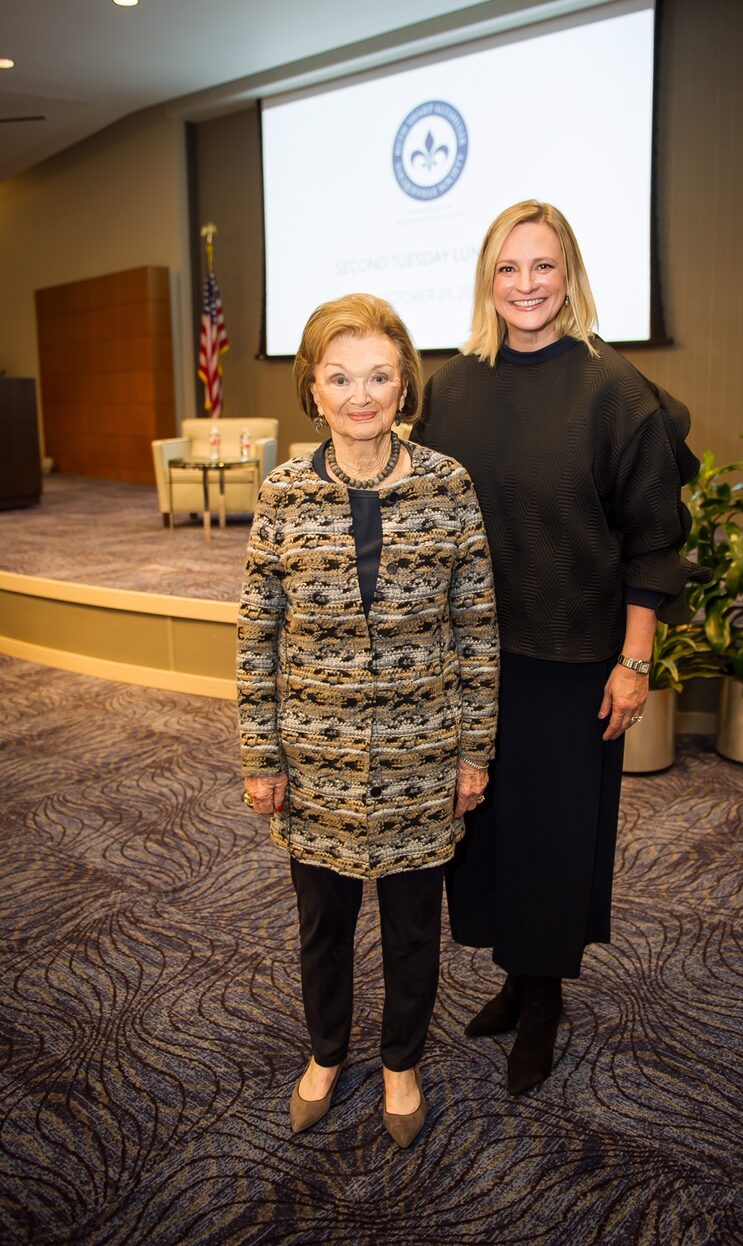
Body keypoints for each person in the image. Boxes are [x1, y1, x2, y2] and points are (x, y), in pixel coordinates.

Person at [411, 200, 706, 1096]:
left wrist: (636, 658)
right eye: (508, 268)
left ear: (570, 275)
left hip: (575, 657)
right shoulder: (451, 387)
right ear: (486, 280)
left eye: (543, 267)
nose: (526, 285)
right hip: (475, 661)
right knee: (490, 833)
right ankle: (514, 975)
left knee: (555, 835)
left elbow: (654, 534)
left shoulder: (613, 389)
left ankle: (544, 1001)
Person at [237, 293, 499, 1146]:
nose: (361, 394)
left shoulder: (448, 484)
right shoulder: (281, 494)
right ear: (312, 389)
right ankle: (324, 1054)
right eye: (341, 376)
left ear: (404, 385)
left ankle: (400, 1064)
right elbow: (257, 635)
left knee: (413, 927)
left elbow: (475, 628)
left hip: (425, 759)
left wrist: (474, 752)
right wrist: (261, 755)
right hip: (314, 763)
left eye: (379, 375)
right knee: (324, 928)